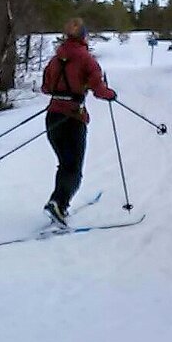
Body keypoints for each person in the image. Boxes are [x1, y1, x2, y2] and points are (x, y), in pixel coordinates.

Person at [40, 18, 116, 225]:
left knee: (65, 164)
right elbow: (99, 89)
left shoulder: (55, 59)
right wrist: (110, 94)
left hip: (53, 116)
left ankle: (58, 203)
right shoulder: (86, 60)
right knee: (73, 168)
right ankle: (58, 203)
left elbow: (45, 87)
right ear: (84, 36)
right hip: (73, 118)